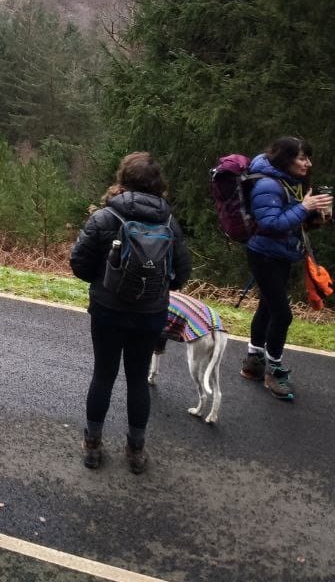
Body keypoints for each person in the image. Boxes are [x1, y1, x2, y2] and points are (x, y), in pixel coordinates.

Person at [69, 152, 191, 474]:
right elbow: (181, 276)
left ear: (122, 179)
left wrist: (104, 279)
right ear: (158, 185)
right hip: (150, 314)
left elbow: (78, 265)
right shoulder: (169, 222)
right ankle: (136, 452)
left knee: (103, 376)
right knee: (138, 381)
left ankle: (92, 446)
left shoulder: (105, 217)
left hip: (108, 310)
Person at [240, 136, 332, 401]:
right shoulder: (267, 184)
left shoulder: (290, 182)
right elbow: (270, 223)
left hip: (280, 254)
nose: (308, 163)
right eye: (303, 158)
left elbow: (291, 220)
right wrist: (305, 207)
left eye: (308, 157)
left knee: (267, 307)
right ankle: (274, 370)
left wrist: (315, 215)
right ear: (285, 158)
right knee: (283, 315)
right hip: (264, 255)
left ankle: (253, 362)